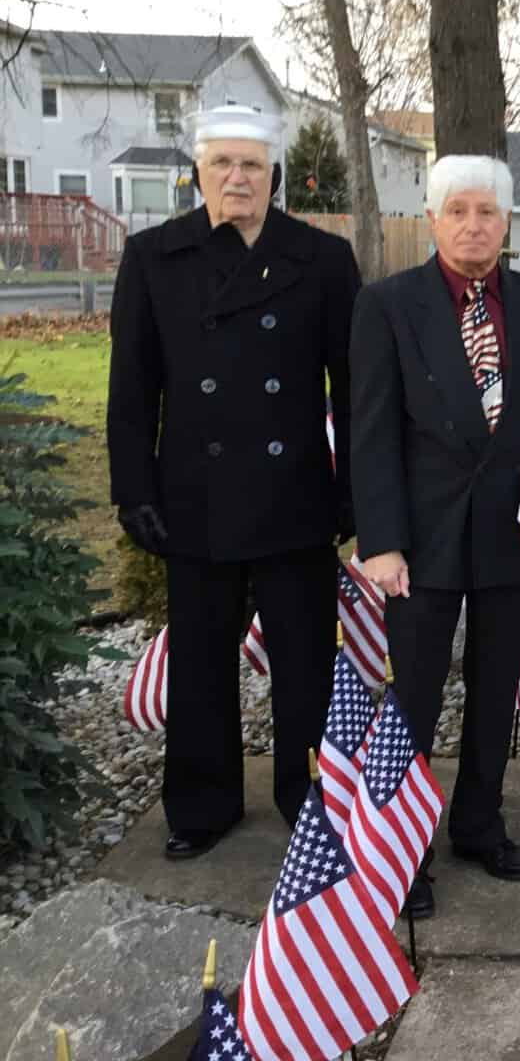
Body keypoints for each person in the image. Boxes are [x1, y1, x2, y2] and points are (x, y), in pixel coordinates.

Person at [107, 103, 360, 860]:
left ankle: (307, 794)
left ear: (274, 176)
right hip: (195, 495)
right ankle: (201, 806)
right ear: (198, 175)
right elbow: (131, 389)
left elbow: (353, 388)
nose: (237, 178)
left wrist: (355, 491)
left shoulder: (321, 258)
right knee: (201, 663)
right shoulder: (153, 256)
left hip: (296, 500)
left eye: (251, 165)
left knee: (306, 665)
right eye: (222, 164)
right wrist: (134, 489)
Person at [350, 155, 520, 918]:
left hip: (513, 539)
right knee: (412, 699)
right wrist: (380, 538)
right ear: (432, 219)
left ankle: (479, 824)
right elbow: (370, 430)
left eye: (487, 211)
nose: (474, 225)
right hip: (418, 542)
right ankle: (402, 849)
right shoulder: (388, 305)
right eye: (458, 211)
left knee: (494, 695)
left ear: (508, 222)